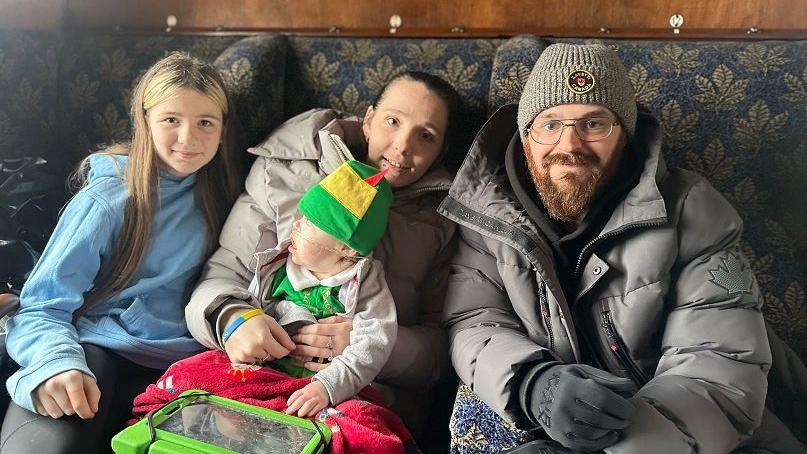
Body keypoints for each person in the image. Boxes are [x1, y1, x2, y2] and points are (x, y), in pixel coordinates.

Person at [440, 43, 801, 453]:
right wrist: (531, 383)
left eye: (593, 123)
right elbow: (474, 319)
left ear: (624, 137)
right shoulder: (486, 215)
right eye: (550, 123)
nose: (569, 144)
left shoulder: (694, 213)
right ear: (526, 139)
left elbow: (717, 370)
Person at [185, 71, 462, 433]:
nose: (403, 145)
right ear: (367, 120)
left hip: (362, 398)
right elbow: (222, 273)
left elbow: (444, 352)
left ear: (440, 150)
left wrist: (373, 345)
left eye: (425, 135)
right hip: (262, 372)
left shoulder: (445, 219)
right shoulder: (283, 169)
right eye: (392, 121)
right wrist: (233, 318)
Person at [0, 52, 242, 452]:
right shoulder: (108, 198)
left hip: (187, 362)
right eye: (171, 120)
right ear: (144, 120)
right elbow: (43, 305)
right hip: (99, 350)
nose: (188, 138)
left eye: (205, 123)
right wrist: (57, 362)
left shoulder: (224, 194)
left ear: (222, 130)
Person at [240, 159, 397, 417]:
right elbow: (253, 310)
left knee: (363, 422)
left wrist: (328, 387)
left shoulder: (364, 283)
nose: (297, 225)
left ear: (346, 248)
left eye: (311, 223)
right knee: (196, 372)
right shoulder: (278, 265)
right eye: (302, 216)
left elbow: (374, 342)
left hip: (328, 387)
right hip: (266, 372)